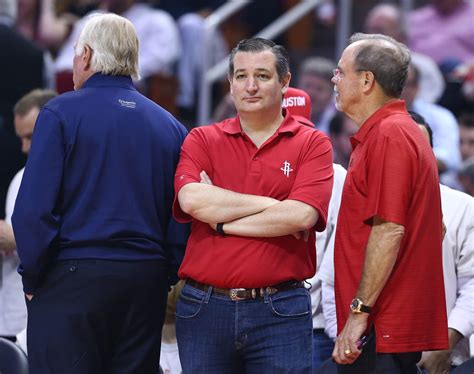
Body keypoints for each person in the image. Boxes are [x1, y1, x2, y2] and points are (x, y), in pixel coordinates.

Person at [12, 13, 188, 374]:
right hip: (145, 282)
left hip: (71, 281)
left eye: (76, 53)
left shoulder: (60, 112)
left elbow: (33, 211)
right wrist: (162, 274)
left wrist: (33, 279)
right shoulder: (170, 126)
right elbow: (179, 215)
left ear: (87, 55)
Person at [173, 37, 334, 373]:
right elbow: (191, 199)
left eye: (262, 76)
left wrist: (220, 220)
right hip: (204, 307)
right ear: (230, 82)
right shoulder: (201, 138)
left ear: (284, 81)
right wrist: (276, 206)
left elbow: (302, 214)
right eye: (241, 76)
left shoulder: (312, 142)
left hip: (281, 309)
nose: (250, 86)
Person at [331, 33, 448, 373]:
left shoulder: (389, 134)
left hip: (379, 328)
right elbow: (433, 228)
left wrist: (358, 314)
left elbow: (390, 230)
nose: (334, 79)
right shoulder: (395, 130)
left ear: (366, 80)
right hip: (383, 327)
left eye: (341, 72)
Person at [413, 113, 474, 373]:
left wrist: (446, 342)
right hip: (376, 351)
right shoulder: (359, 204)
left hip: (445, 356)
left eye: (421, 148)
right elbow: (334, 280)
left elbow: (472, 284)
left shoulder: (463, 207)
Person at [0, 89, 57, 343]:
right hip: (11, 313)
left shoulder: (72, 178)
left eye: (30, 137)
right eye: (20, 138)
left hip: (47, 314)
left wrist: (16, 238)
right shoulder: (19, 178)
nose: (23, 148)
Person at [364, 3, 445, 104]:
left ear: (401, 37)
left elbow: (424, 107)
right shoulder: (353, 65)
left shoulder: (424, 68)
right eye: (369, 30)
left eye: (379, 31)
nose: (371, 36)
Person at [401, 63, 462, 174]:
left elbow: (447, 157)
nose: (397, 90)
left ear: (416, 87)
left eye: (404, 84)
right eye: (392, 84)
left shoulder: (440, 116)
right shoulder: (367, 112)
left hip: (433, 182)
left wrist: (404, 162)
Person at [297, 56, 337, 134]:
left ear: (331, 94)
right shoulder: (282, 114)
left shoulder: (339, 124)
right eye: (307, 85)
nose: (311, 94)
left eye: (319, 89)